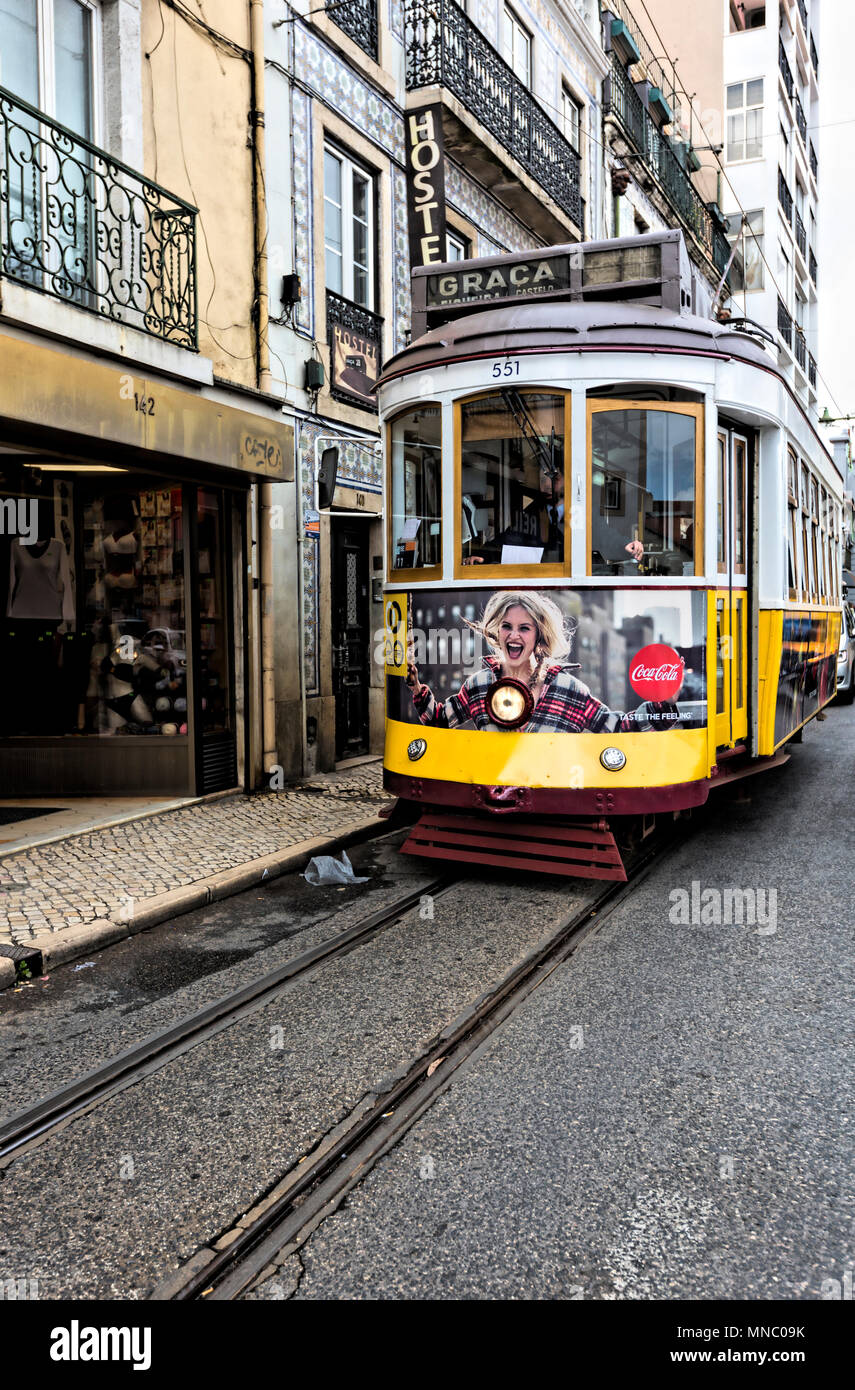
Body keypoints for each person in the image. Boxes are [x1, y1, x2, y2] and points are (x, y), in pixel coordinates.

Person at [406, 590, 679, 732]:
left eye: (524, 628)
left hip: (554, 806)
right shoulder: (478, 685)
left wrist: (664, 703)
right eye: (506, 626)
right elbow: (440, 720)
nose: (513, 635)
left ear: (538, 637)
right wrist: (417, 688)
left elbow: (619, 726)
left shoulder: (569, 689)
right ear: (497, 631)